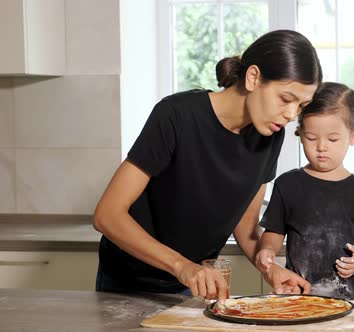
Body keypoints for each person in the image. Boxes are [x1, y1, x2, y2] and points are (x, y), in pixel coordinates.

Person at [93, 30, 322, 301]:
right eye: (286, 99)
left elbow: (245, 226)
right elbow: (107, 215)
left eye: (301, 106)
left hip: (192, 283)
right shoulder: (177, 115)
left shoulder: (270, 137)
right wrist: (182, 266)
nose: (291, 114)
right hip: (127, 282)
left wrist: (272, 270)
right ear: (253, 77)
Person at [255, 82, 354, 300]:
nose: (321, 147)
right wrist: (267, 250)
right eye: (311, 138)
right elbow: (274, 232)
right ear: (299, 133)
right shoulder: (287, 185)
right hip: (300, 299)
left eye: (333, 139)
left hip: (351, 302)